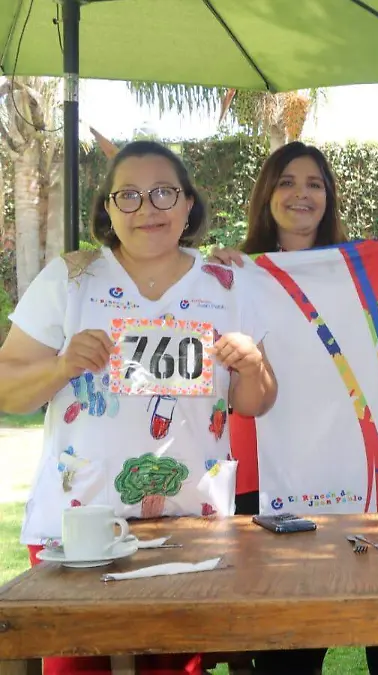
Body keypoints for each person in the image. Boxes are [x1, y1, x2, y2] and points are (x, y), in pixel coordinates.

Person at [0, 141, 276, 675]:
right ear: (107, 208)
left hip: (189, 524)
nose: (147, 208)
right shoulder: (71, 278)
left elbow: (255, 402)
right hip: (78, 528)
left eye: (163, 193)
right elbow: (7, 390)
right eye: (128, 195)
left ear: (189, 204)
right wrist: (60, 367)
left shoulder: (228, 283)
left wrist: (252, 367)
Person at [209, 141, 378, 675]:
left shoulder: (372, 269)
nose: (301, 194)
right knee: (289, 641)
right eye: (287, 181)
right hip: (269, 475)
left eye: (314, 183)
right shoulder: (236, 272)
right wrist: (216, 274)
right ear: (266, 194)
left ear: (329, 197)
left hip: (376, 485)